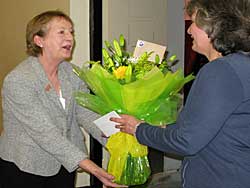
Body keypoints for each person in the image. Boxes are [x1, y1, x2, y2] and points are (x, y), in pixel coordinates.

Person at [111, 0, 250, 187]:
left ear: (213, 28)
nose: (189, 30)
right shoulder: (240, 64)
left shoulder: (220, 71)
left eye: (193, 22)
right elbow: (206, 125)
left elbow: (186, 141)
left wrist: (138, 129)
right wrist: (160, 128)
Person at [0, 10, 126, 188]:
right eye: (62, 32)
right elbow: (45, 133)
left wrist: (120, 136)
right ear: (39, 40)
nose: (70, 38)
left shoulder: (72, 73)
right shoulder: (19, 80)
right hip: (27, 165)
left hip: (64, 165)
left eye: (71, 32)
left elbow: (85, 113)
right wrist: (93, 168)